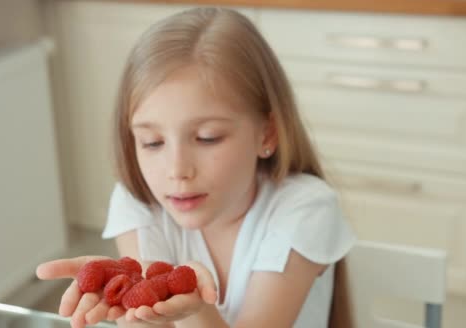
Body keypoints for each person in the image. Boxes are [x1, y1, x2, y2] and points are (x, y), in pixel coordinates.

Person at [36, 7, 356, 328]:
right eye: (152, 142)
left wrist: (195, 310)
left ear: (267, 133)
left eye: (207, 138)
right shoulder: (138, 201)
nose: (177, 170)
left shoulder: (306, 209)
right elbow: (146, 321)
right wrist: (135, 300)